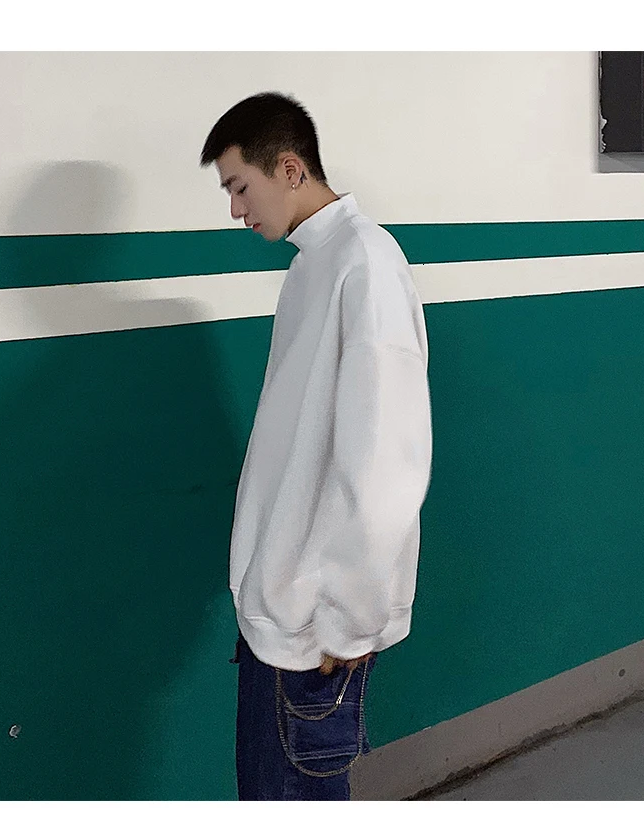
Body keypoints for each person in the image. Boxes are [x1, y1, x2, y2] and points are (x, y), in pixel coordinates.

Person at [200, 92, 433, 801]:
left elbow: (385, 456)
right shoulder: (313, 265)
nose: (236, 209)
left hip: (315, 630)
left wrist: (349, 618)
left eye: (241, 186)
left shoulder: (365, 262)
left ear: (290, 168)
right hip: (284, 613)